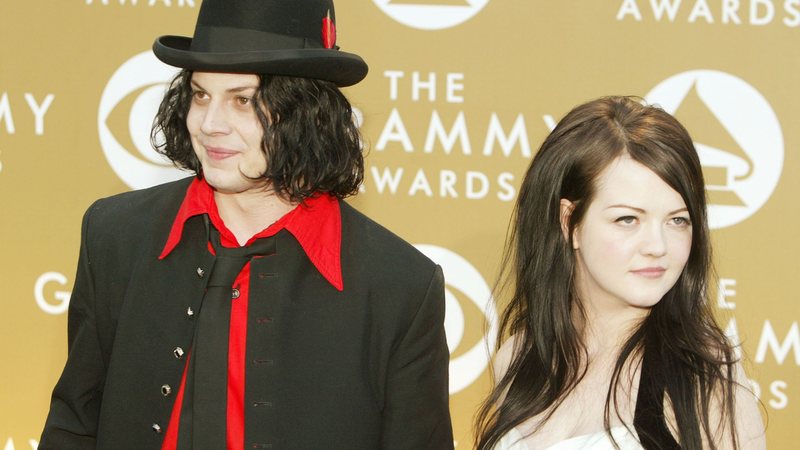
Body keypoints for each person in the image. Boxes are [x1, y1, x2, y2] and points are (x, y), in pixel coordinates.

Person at [39, 0, 453, 448]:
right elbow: (74, 424)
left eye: (243, 100)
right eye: (200, 94)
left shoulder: (399, 287)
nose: (210, 124)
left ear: (306, 113)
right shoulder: (115, 236)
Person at [475, 96, 765, 450]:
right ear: (570, 223)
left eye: (678, 220)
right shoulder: (520, 356)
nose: (657, 245)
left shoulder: (706, 379)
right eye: (628, 219)